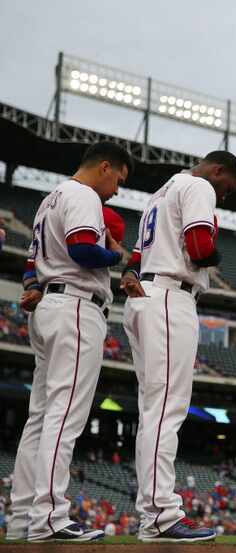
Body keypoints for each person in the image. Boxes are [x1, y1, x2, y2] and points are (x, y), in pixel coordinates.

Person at [7, 142, 132, 542]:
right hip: (75, 308)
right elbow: (82, 251)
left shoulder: (50, 199)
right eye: (119, 180)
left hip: (49, 306)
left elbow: (30, 266)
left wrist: (32, 287)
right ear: (106, 167)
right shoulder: (82, 195)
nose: (116, 190)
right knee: (64, 415)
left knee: (40, 418)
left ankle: (22, 518)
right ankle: (49, 517)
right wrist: (119, 257)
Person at [119, 151, 236, 542]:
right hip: (170, 299)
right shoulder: (198, 185)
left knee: (152, 409)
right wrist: (217, 257)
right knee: (166, 410)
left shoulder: (160, 192)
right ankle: (160, 514)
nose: (224, 195)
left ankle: (151, 514)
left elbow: (135, 260)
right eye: (228, 187)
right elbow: (200, 246)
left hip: (145, 296)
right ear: (218, 170)